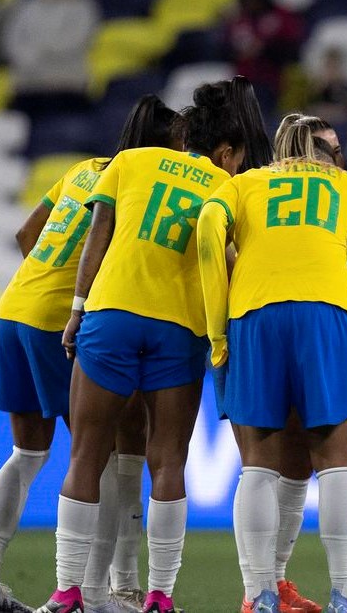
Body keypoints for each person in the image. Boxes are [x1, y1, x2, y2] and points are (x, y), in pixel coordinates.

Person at [0, 94, 181, 613]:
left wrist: (47, 284)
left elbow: (26, 233)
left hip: (14, 308)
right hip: (58, 322)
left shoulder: (84, 170)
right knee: (98, 457)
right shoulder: (143, 185)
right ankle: (97, 595)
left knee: (28, 454)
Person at [37, 85, 244, 613]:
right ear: (223, 149)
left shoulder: (129, 161)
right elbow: (226, 259)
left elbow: (98, 234)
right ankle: (159, 596)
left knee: (87, 454)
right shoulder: (226, 185)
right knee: (169, 461)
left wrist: (77, 308)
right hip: (180, 327)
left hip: (113, 313)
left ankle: (67, 591)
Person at [197, 120, 347, 613]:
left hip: (254, 312)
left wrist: (217, 328)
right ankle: (343, 595)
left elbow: (208, 225)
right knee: (335, 463)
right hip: (328, 311)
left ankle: (260, 595)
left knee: (258, 464)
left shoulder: (245, 183)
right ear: (326, 154)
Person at [3, 0, 99, 118]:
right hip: (27, 87)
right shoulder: (29, 6)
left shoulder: (82, 6)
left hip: (66, 87)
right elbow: (12, 38)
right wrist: (26, 57)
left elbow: (75, 40)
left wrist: (39, 51)